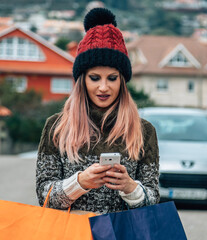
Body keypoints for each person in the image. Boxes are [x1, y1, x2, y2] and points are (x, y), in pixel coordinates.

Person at [36, 8, 160, 214]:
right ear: (82, 80)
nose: (103, 87)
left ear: (122, 81)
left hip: (122, 234)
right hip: (71, 234)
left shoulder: (143, 131)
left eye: (112, 78)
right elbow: (44, 197)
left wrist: (130, 188)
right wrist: (80, 182)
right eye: (95, 78)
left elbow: (153, 200)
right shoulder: (56, 127)